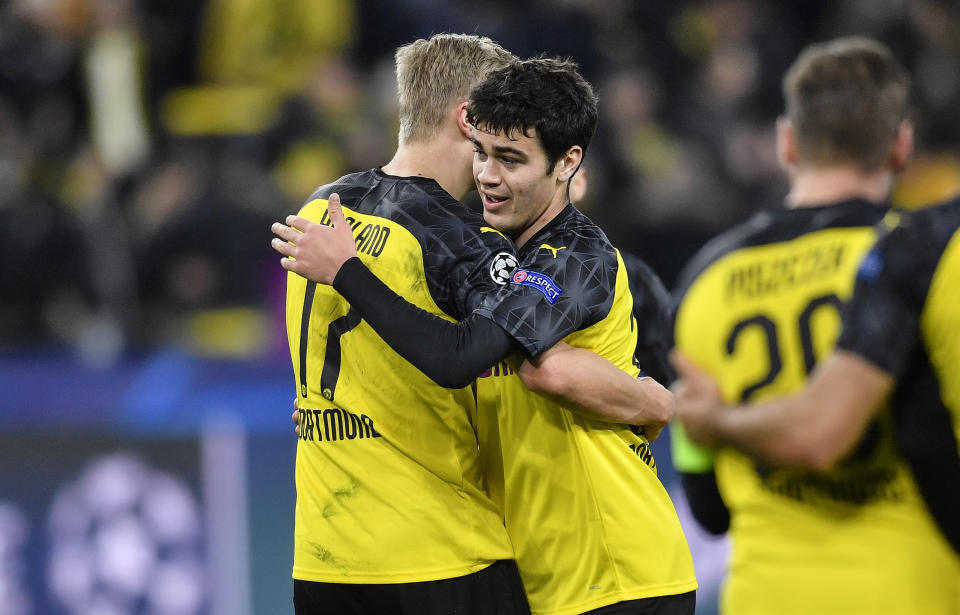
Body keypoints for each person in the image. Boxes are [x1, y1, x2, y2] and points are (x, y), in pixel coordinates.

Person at [275, 57, 697, 615]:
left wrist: (653, 399)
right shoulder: (487, 253)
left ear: (569, 163)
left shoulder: (576, 255)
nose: (487, 176)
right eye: (482, 153)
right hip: (543, 576)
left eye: (511, 160)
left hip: (619, 573)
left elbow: (537, 368)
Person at [669, 36, 960, 614]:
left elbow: (706, 505)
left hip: (766, 595)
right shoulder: (924, 259)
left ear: (787, 142)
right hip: (913, 590)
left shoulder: (704, 280)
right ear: (901, 144)